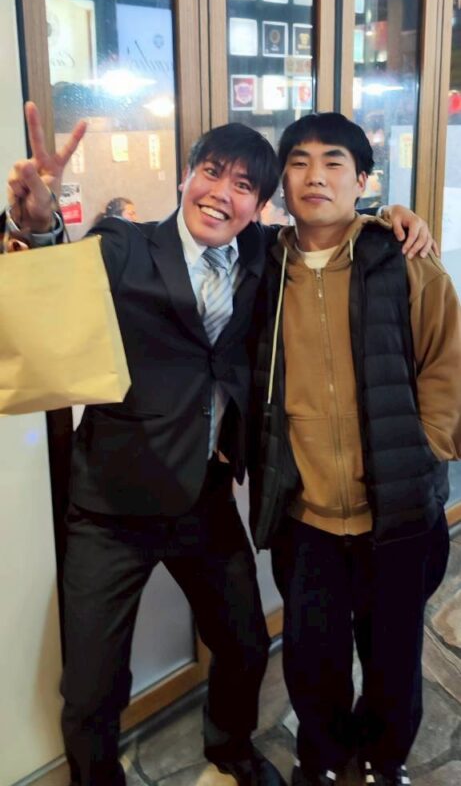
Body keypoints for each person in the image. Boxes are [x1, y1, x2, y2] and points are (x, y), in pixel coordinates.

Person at [6, 102, 435, 786]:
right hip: (110, 507)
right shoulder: (124, 245)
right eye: (211, 173)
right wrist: (35, 223)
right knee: (91, 684)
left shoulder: (262, 255)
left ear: (260, 206)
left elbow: (330, 230)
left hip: (203, 497)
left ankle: (230, 749)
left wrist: (392, 216)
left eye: (243, 186)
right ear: (186, 176)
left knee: (244, 644)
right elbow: (55, 277)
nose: (221, 194)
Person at [248, 112, 461, 786]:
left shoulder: (404, 261)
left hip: (394, 509)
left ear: (362, 179)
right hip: (304, 514)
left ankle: (384, 759)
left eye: (334, 162)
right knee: (311, 658)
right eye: (299, 162)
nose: (315, 176)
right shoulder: (260, 268)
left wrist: (424, 447)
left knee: (392, 657)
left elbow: (447, 365)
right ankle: (321, 759)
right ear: (281, 182)